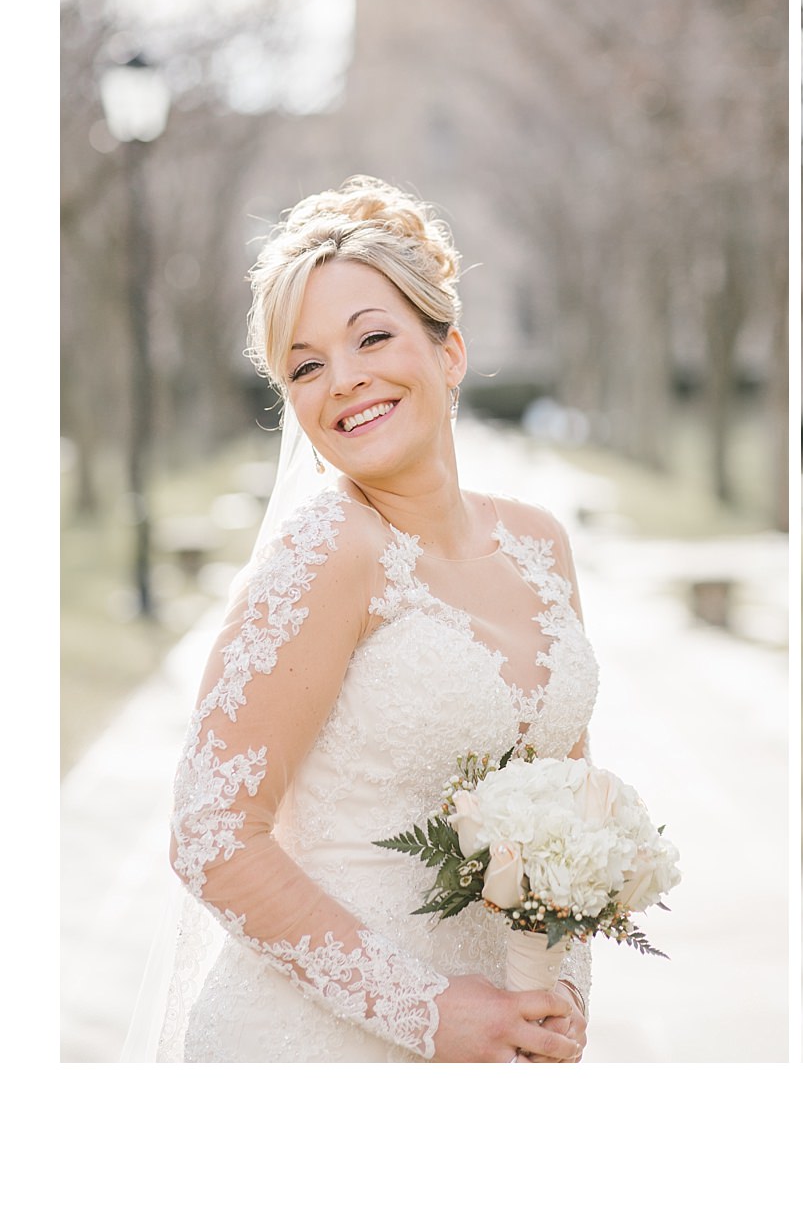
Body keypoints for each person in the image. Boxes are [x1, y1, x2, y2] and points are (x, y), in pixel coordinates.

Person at [156, 177, 598, 1062]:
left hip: (499, 1036)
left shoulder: (541, 544)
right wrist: (427, 1011)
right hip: (322, 1045)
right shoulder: (330, 549)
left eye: (372, 337)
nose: (346, 378)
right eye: (307, 364)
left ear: (450, 351)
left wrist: (558, 988)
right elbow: (210, 832)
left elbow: (570, 808)